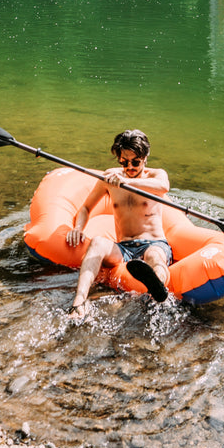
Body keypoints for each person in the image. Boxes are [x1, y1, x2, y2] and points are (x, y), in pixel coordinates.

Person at [66, 129, 172, 318]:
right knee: (98, 242)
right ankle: (78, 303)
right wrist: (78, 228)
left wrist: (126, 182)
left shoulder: (156, 176)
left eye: (135, 162)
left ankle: (158, 288)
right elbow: (85, 208)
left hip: (154, 243)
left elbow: (164, 187)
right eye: (124, 162)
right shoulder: (110, 178)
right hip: (124, 248)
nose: (129, 167)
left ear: (145, 157)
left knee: (154, 255)